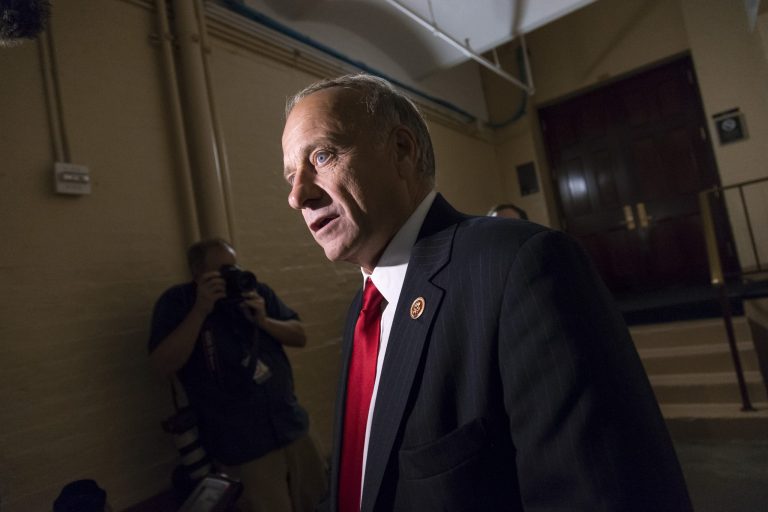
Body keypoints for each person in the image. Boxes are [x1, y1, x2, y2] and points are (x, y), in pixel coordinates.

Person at [281, 74, 692, 511]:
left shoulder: (522, 266)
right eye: (290, 176)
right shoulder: (363, 312)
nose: (297, 196)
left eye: (322, 156)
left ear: (402, 150)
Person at [148, 238, 327, 512]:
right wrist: (201, 310)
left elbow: (300, 336)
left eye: (234, 266)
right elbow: (162, 365)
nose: (232, 274)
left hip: (291, 425)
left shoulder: (254, 292)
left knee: (321, 499)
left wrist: (264, 321)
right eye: (223, 270)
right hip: (243, 444)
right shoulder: (180, 302)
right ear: (198, 274)